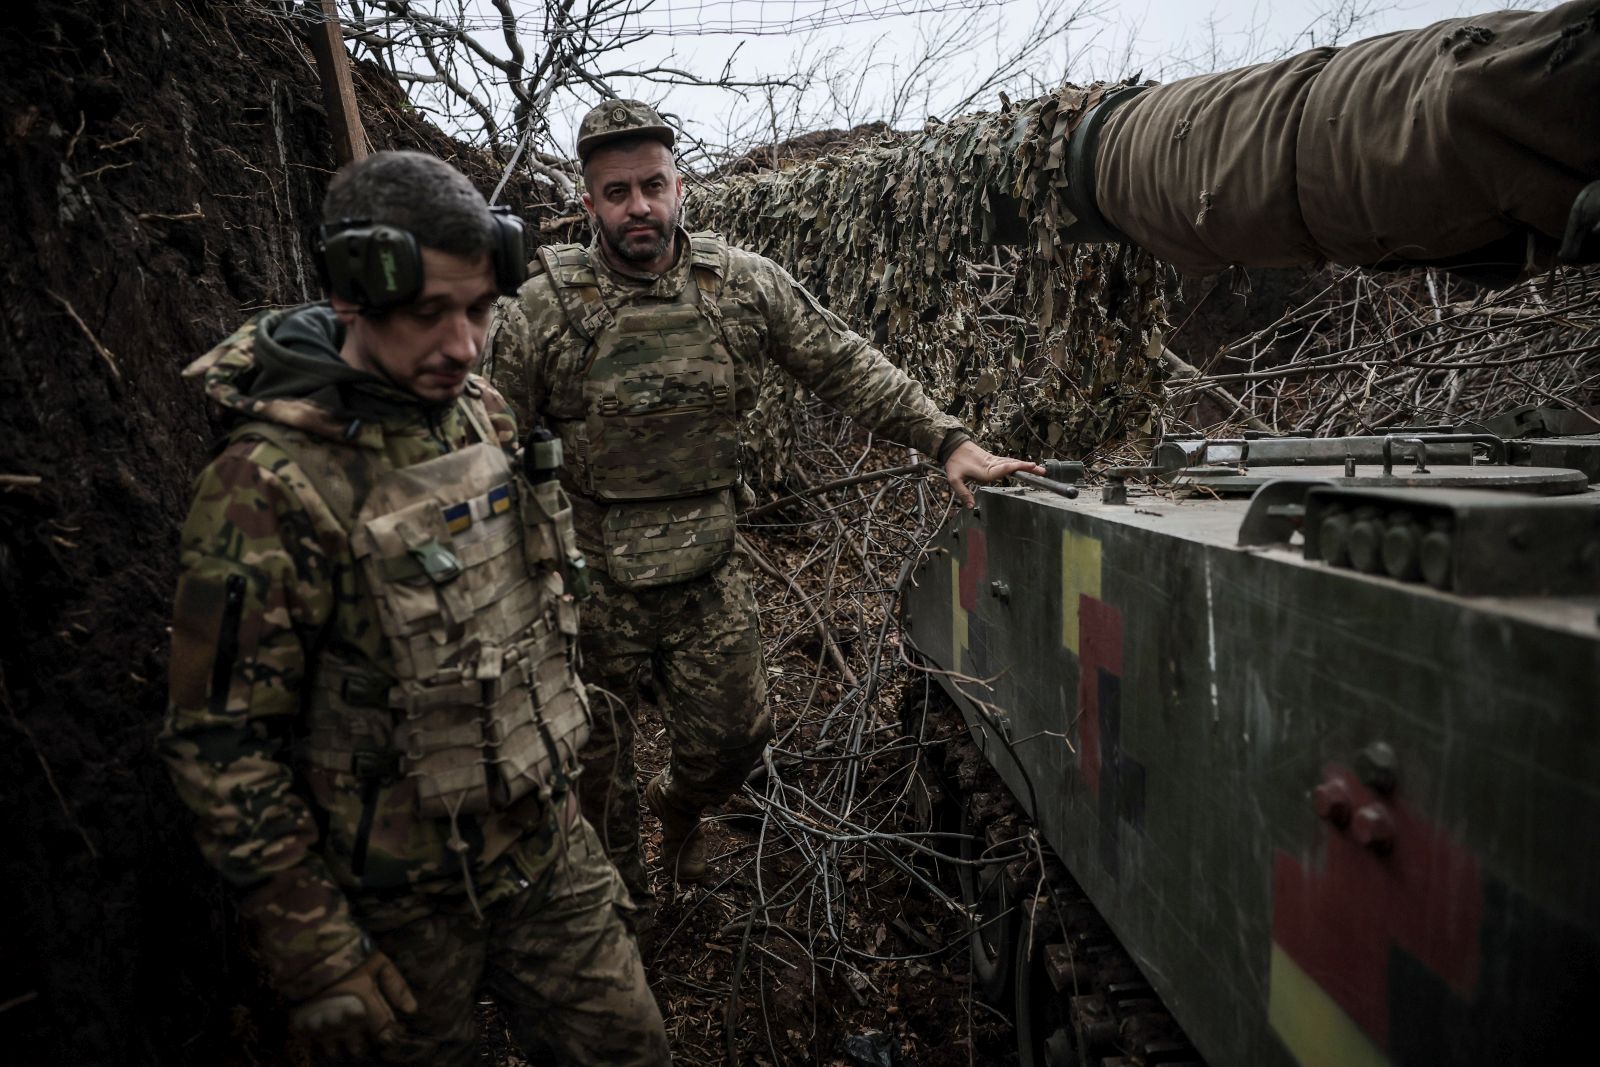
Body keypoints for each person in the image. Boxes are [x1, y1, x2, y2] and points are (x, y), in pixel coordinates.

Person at [159, 150, 670, 1066]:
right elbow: (223, 745)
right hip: (392, 905)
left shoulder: (483, 414)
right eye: (430, 313)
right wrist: (318, 957)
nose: (465, 345)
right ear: (355, 299)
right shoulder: (267, 486)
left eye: (479, 310)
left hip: (545, 856)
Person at [488, 100, 1041, 928]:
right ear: (589, 201)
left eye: (651, 185)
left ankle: (679, 816)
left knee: (735, 741)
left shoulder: (738, 285)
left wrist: (946, 440)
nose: (637, 207)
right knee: (596, 767)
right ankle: (629, 914)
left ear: (679, 186)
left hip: (706, 571)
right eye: (615, 192)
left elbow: (842, 360)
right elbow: (491, 431)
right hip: (588, 579)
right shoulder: (544, 308)